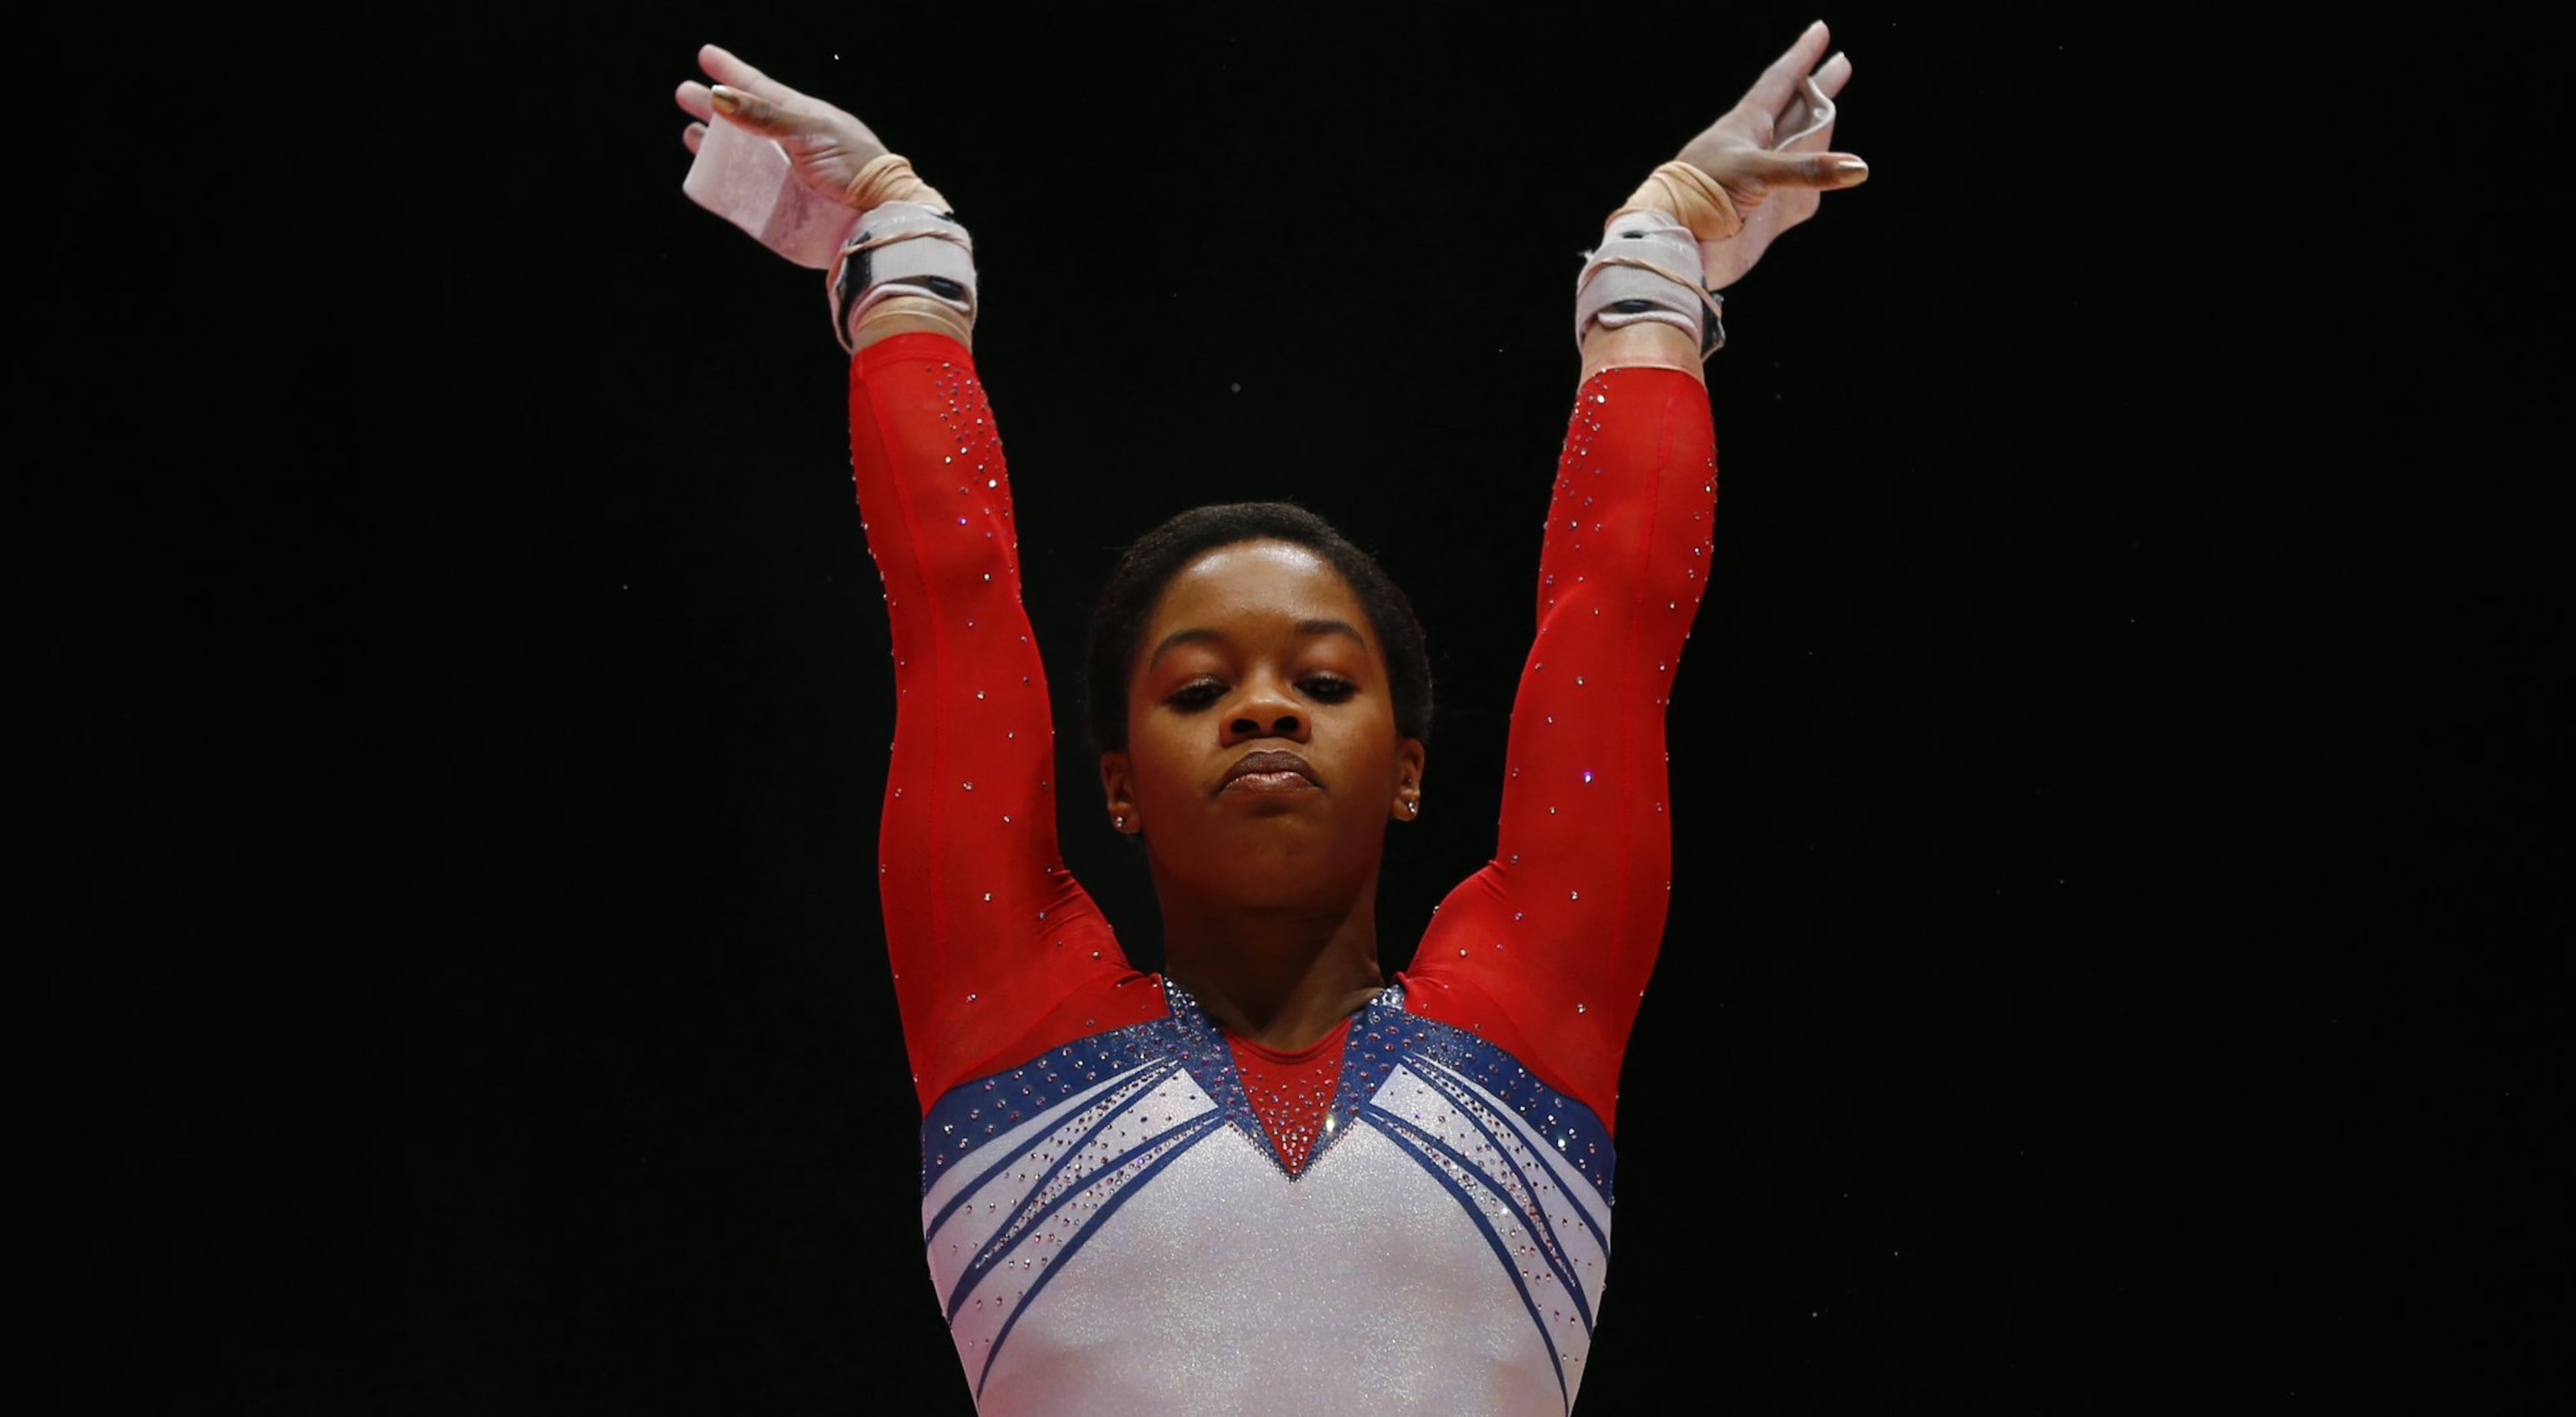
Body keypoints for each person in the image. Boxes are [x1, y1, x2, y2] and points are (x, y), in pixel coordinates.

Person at [675, 25, 1864, 1414]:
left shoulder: (1538, 1002)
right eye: (1196, 689)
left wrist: (1663, 256)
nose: (1261, 713)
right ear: (1113, 784)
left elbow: (1618, 609)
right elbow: (951, 594)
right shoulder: (1004, 1009)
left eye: (1321, 680)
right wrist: (898, 237)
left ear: (1409, 767)